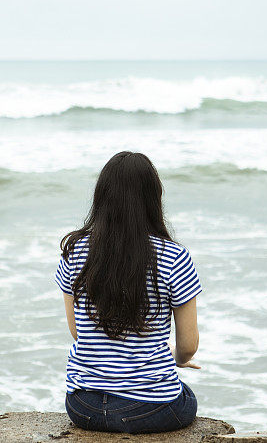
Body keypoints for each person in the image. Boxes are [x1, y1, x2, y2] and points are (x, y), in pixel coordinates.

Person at [54, 151, 202, 434]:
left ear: (102, 197)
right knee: (186, 398)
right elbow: (188, 345)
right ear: (153, 198)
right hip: (148, 408)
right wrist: (178, 358)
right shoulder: (174, 257)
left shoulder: (75, 251)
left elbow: (77, 331)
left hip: (83, 406)